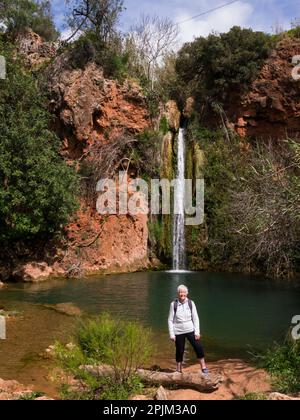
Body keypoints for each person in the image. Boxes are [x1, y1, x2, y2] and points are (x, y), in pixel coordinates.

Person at [168, 284, 209, 375]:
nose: (182, 294)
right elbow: (170, 320)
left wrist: (197, 332)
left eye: (184, 292)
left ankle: (204, 367)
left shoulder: (191, 303)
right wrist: (172, 334)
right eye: (180, 292)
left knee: (198, 347)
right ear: (178, 293)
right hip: (178, 331)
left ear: (187, 293)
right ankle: (178, 369)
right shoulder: (173, 304)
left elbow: (195, 318)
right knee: (180, 350)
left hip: (190, 329)